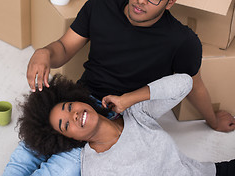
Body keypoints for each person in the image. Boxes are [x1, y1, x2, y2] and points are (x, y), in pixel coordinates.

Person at [3, 0, 235, 175]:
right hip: (78, 99)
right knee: (25, 154)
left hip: (121, 116)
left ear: (170, 2)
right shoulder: (102, 5)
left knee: (63, 169)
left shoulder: (182, 40)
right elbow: (64, 47)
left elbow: (193, 85)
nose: (141, 0)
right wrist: (44, 53)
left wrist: (213, 121)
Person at [18, 74, 235, 176]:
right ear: (69, 138)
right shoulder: (95, 169)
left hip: (211, 171)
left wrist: (128, 99)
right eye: (65, 125)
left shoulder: (135, 113)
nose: (74, 115)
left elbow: (184, 83)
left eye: (69, 106)